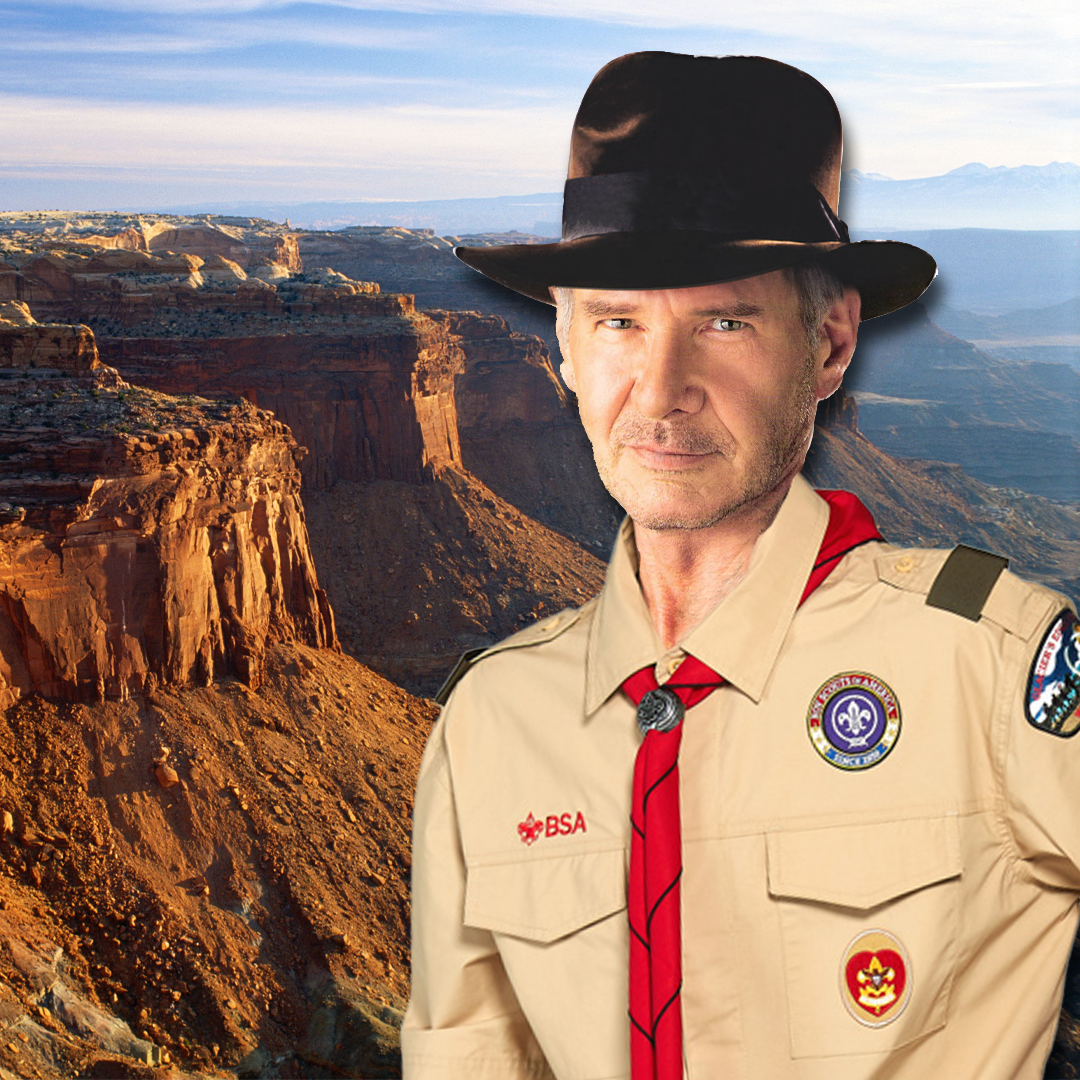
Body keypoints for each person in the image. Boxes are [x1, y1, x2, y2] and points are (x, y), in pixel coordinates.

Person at [401, 52, 1080, 1080]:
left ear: (833, 341)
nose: (661, 390)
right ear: (565, 350)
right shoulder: (494, 725)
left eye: (724, 322)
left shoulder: (990, 662)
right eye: (619, 323)